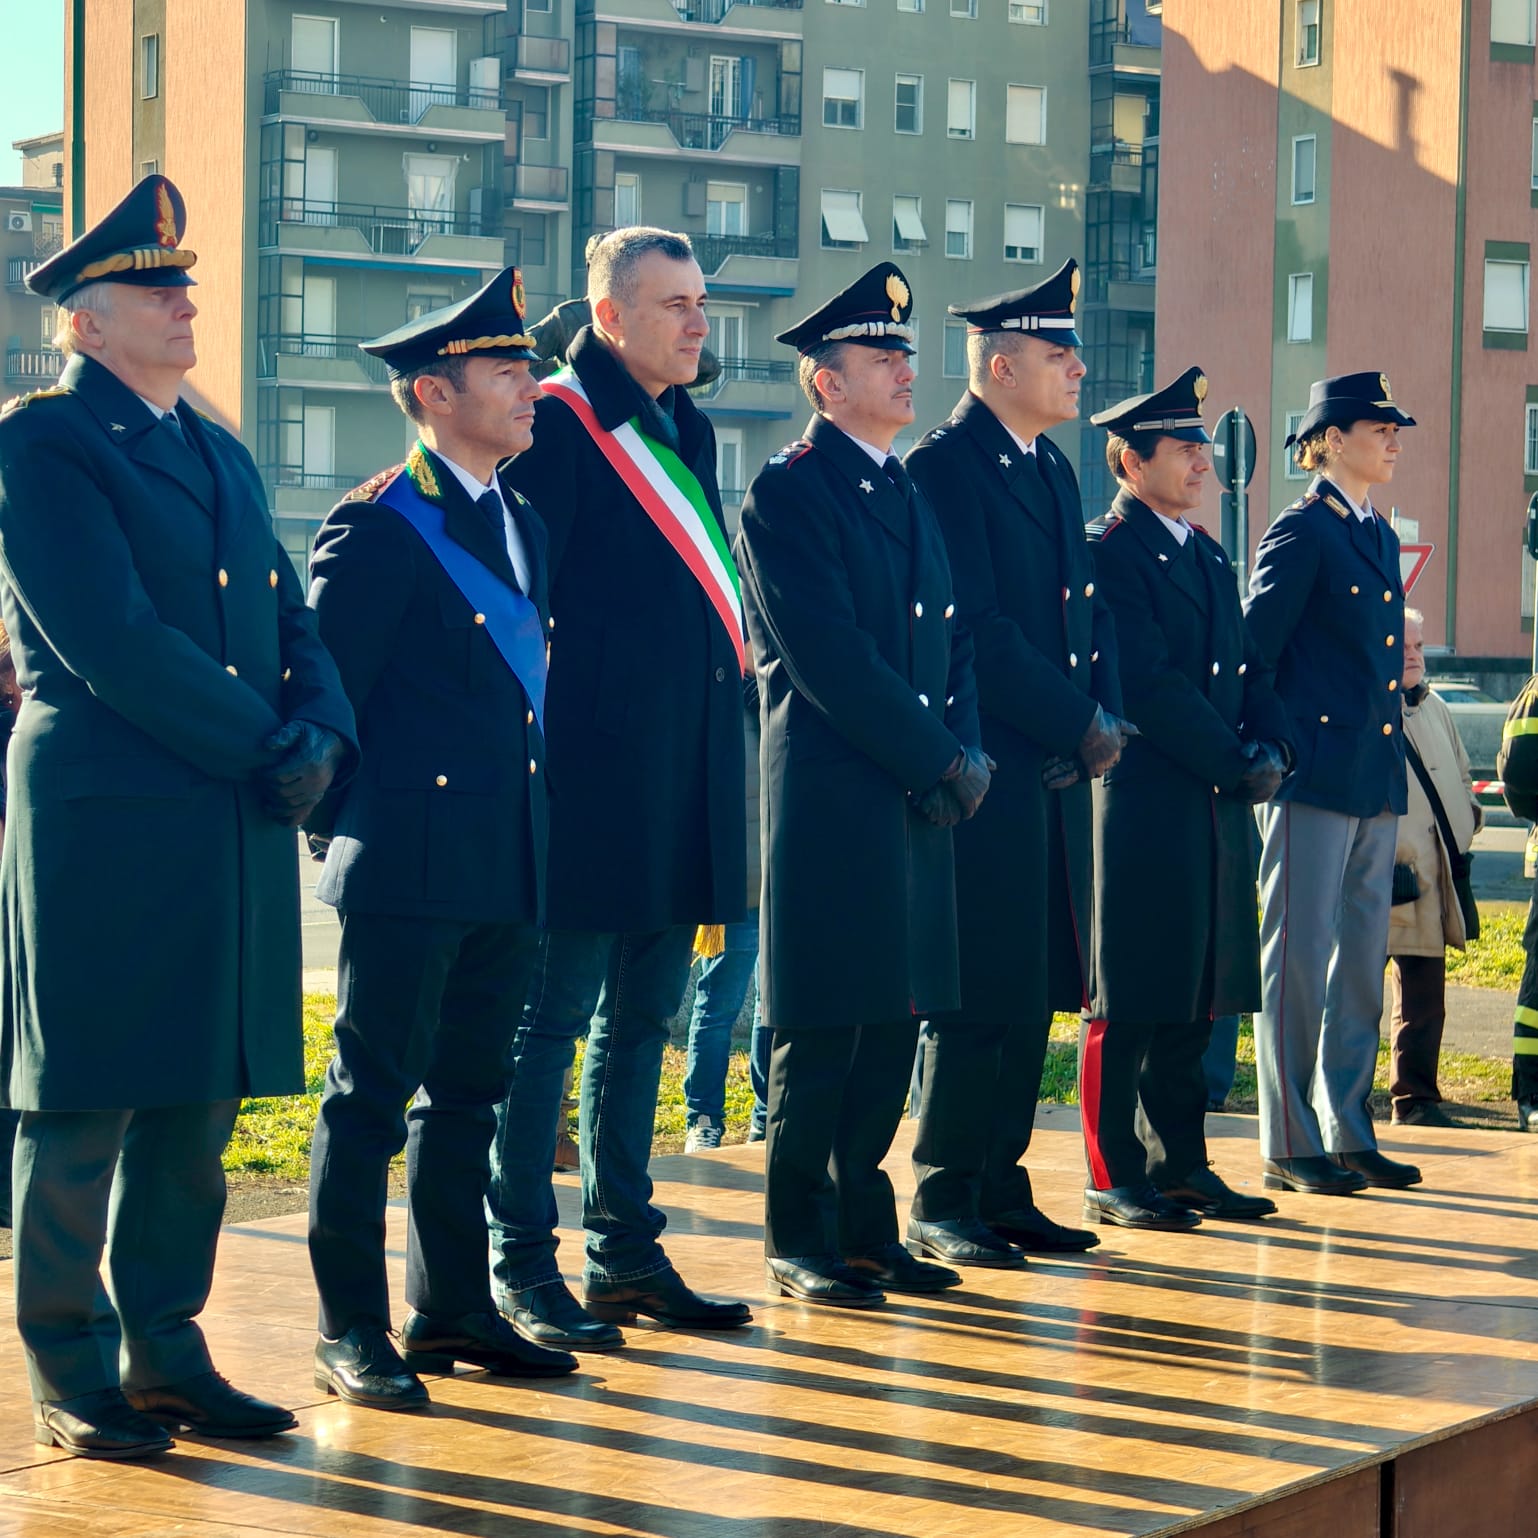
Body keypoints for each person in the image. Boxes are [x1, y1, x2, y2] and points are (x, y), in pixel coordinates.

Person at [0, 175, 356, 1459]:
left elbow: (289, 615)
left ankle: (168, 1348)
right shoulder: (43, 439)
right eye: (156, 289)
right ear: (85, 322)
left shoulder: (213, 445)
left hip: (226, 810)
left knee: (196, 1105)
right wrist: (265, 741)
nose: (184, 302)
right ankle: (72, 1363)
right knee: (87, 1102)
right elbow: (109, 639)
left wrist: (323, 729)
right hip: (108, 813)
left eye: (185, 283)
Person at [304, 268, 579, 1409]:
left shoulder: (522, 518)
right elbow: (330, 696)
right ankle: (348, 1325)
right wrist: (357, 833)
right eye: (505, 371)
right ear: (431, 392)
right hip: (410, 857)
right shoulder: (377, 523)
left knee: (469, 1095)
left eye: (525, 365)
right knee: (369, 1097)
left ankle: (453, 1307)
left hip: (507, 853)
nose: (529, 387)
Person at [487, 227, 750, 1352]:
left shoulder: (679, 422)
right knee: (550, 1024)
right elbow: (518, 602)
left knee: (641, 1018)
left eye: (700, 302)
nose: (698, 322)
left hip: (678, 773)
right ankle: (519, 1257)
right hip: (592, 778)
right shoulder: (556, 421)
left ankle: (622, 1247)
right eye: (674, 304)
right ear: (608, 315)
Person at [737, 261, 988, 1308]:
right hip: (838, 797)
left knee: (892, 1018)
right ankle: (801, 1232)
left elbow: (952, 637)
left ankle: (864, 1223)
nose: (902, 368)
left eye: (902, 352)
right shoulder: (787, 492)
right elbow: (831, 657)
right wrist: (937, 756)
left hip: (915, 796)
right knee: (823, 1025)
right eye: (879, 356)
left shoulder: (903, 488)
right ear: (824, 384)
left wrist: (963, 748)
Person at [903, 259, 1129, 1268]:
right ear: (998, 364)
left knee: (1031, 979)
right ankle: (944, 1190)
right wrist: (1074, 715)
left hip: (1046, 765)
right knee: (975, 987)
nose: (1077, 367)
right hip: (985, 763)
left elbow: (1082, 616)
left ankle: (1000, 1180)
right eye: (1055, 352)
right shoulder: (946, 466)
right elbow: (979, 629)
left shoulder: (1043, 465)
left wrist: (1099, 712)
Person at [1079, 367, 1289, 1228]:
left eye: (1205, 445)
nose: (1203, 460)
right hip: (1147, 803)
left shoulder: (1202, 551)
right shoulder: (1110, 550)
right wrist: (1233, 757)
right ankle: (1112, 1172)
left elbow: (1248, 667)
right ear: (1133, 461)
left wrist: (1274, 742)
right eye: (1185, 446)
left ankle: (1183, 1164)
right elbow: (1150, 681)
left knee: (1195, 994)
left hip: (1214, 802)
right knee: (1129, 996)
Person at [1244, 371, 1420, 1195]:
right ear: (1333, 438)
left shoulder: (1375, 534)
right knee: (1300, 959)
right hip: (1311, 776)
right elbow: (1256, 652)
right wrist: (1273, 747)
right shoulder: (1302, 530)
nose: (1392, 440)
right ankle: (1288, 1138)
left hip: (1372, 777)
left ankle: (1347, 1126)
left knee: (1359, 963)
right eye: (1379, 427)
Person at [1387, 608, 1481, 1128]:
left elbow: (1464, 775)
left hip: (1434, 878)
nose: (1414, 656)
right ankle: (1343, 1101)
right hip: (1384, 877)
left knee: (1425, 999)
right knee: (1354, 1002)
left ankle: (1417, 1100)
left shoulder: (1438, 707)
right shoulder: (1373, 711)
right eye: (1403, 647)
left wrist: (1468, 817)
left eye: (1419, 646)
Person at [682, 666, 763, 1153]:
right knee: (718, 1004)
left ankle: (765, 1115)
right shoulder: (720, 700)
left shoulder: (773, 702)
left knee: (770, 1011)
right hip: (733, 883)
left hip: (773, 878)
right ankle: (703, 1117)